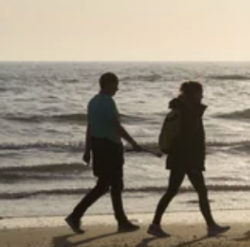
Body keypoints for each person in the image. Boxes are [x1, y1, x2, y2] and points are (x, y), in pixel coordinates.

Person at [148, 81, 230, 238]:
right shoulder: (188, 112)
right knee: (200, 191)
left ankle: (155, 224)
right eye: (200, 93)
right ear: (193, 94)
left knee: (172, 191)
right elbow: (190, 139)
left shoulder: (181, 109)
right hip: (187, 159)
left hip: (179, 158)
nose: (202, 96)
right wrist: (195, 161)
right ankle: (211, 226)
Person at [65, 72, 143, 234]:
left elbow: (90, 128)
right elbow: (116, 126)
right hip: (111, 147)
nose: (117, 88)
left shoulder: (92, 102)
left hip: (98, 147)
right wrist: (133, 142)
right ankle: (78, 215)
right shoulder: (108, 102)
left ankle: (79, 216)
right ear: (108, 84)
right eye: (115, 85)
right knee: (112, 185)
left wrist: (88, 150)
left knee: (106, 185)